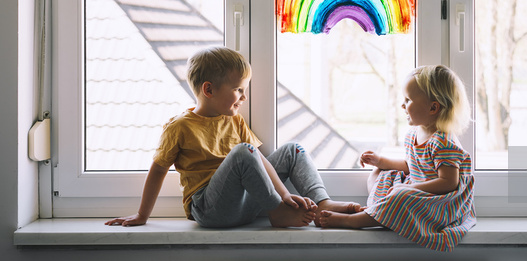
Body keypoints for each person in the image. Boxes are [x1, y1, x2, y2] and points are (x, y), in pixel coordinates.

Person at [105, 46, 360, 228]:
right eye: (238, 90)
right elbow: (158, 170)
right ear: (209, 89)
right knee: (243, 151)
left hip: (247, 203)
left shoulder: (234, 120)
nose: (244, 97)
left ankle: (322, 202)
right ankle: (277, 213)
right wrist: (142, 215)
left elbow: (261, 161)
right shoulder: (179, 127)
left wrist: (284, 195)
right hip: (209, 208)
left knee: (292, 150)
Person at [317, 65, 476, 252]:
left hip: (438, 202)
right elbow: (412, 165)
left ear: (433, 107)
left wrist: (409, 187)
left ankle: (354, 221)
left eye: (408, 100)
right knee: (382, 174)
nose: (402, 105)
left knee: (400, 195)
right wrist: (381, 162)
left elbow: (448, 182)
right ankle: (379, 210)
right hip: (417, 187)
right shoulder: (413, 133)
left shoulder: (444, 142)